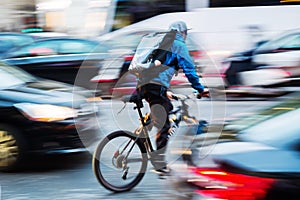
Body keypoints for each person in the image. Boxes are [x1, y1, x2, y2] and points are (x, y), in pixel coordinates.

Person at [136, 21, 208, 176]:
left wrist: (166, 90)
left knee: (166, 107)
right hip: (154, 87)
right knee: (164, 125)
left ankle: (144, 131)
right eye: (186, 33)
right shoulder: (179, 45)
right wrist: (200, 89)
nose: (186, 36)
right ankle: (159, 163)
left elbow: (160, 71)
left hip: (147, 85)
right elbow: (189, 70)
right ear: (183, 32)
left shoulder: (165, 42)